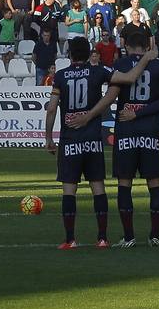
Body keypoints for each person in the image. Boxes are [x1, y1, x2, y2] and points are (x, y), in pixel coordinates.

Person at [74, 28, 159, 247]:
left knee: (124, 183)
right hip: (150, 129)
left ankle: (128, 237)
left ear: (126, 46)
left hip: (126, 129)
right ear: (146, 46)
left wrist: (90, 114)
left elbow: (111, 95)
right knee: (154, 182)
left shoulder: (119, 65)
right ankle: (154, 236)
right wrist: (147, 110)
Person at [45, 36, 111, 249]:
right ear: (88, 52)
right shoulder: (98, 71)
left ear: (70, 54)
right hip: (92, 139)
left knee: (69, 190)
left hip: (70, 140)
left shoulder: (61, 76)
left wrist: (48, 138)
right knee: (98, 187)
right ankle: (102, 238)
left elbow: (52, 108)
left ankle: (70, 239)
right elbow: (119, 82)